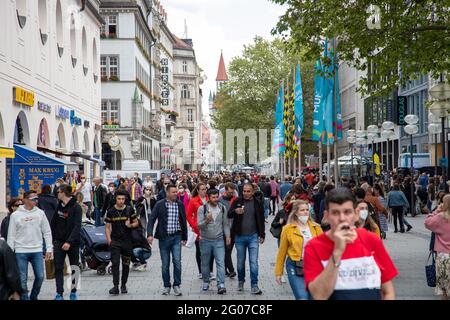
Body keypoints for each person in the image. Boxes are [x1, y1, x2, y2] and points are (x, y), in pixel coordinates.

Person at [304, 188, 398, 300]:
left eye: (347, 212)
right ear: (327, 216)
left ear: (355, 215)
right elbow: (319, 295)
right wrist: (337, 252)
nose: (342, 218)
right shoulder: (314, 246)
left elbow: (388, 291)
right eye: (335, 213)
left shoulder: (371, 240)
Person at [7, 190, 53, 300]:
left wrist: (49, 248)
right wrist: (9, 253)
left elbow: (47, 232)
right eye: (33, 199)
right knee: (22, 279)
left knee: (40, 276)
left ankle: (34, 296)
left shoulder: (40, 213)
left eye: (37, 199)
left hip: (36, 249)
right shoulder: (15, 215)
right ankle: (25, 298)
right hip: (20, 250)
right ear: (25, 200)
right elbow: (11, 235)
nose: (35, 201)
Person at [275, 200, 323, 300]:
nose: (305, 212)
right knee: (302, 297)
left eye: (307, 210)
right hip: (295, 265)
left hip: (313, 267)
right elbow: (282, 252)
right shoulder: (288, 229)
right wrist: (278, 272)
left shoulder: (317, 227)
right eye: (302, 210)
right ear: (296, 213)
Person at [147, 184, 188, 296]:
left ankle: (176, 285)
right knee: (165, 264)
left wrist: (185, 237)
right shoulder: (160, 204)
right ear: (167, 193)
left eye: (176, 192)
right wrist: (149, 234)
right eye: (173, 192)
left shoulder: (179, 204)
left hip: (176, 237)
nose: (176, 194)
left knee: (177, 262)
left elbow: (184, 221)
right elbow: (151, 219)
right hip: (164, 238)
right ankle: (166, 286)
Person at [228, 183, 265, 294]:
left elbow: (261, 219)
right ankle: (241, 281)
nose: (246, 193)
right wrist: (235, 211)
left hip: (253, 236)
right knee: (240, 262)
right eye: (244, 191)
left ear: (252, 192)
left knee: (253, 262)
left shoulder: (257, 203)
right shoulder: (237, 201)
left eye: (248, 191)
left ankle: (254, 285)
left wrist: (262, 234)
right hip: (239, 236)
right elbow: (229, 214)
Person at [105, 190, 139, 295]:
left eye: (123, 199)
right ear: (115, 199)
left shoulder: (129, 210)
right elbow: (107, 227)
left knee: (126, 264)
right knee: (115, 264)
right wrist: (109, 239)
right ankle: (115, 286)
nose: (121, 201)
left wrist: (131, 225)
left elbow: (136, 222)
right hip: (115, 241)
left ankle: (123, 285)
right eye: (119, 199)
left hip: (127, 242)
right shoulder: (110, 211)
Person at [52, 184, 82, 300]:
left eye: (58, 192)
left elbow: (77, 226)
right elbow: (53, 223)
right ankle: (59, 293)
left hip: (72, 243)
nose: (57, 194)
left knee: (74, 267)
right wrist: (53, 240)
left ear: (63, 192)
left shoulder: (76, 207)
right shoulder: (59, 205)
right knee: (58, 267)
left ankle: (73, 291)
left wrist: (69, 242)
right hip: (59, 242)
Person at [197, 189, 230, 294]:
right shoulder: (202, 209)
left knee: (220, 262)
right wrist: (206, 220)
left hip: (219, 239)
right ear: (209, 197)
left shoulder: (222, 208)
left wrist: (228, 236)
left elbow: (225, 224)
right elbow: (199, 225)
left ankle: (221, 284)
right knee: (205, 263)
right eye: (213, 197)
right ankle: (206, 281)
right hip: (205, 240)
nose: (216, 199)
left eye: (217, 197)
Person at [425, 194, 450, 300]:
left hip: (443, 256)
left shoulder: (441, 217)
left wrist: (436, 211)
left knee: (444, 288)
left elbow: (427, 223)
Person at [187, 183, 214, 279]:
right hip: (198, 229)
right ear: (198, 190)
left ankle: (210, 271)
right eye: (202, 189)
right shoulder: (193, 201)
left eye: (205, 189)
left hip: (210, 229)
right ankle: (201, 271)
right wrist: (194, 225)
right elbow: (189, 215)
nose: (204, 191)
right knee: (199, 250)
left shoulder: (209, 199)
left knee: (211, 250)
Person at [219, 183, 237, 278]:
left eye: (232, 192)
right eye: (229, 192)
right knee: (227, 249)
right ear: (225, 190)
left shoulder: (236, 199)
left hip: (234, 228)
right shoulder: (220, 200)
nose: (231, 193)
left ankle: (225, 269)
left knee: (228, 250)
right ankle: (231, 270)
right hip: (224, 228)